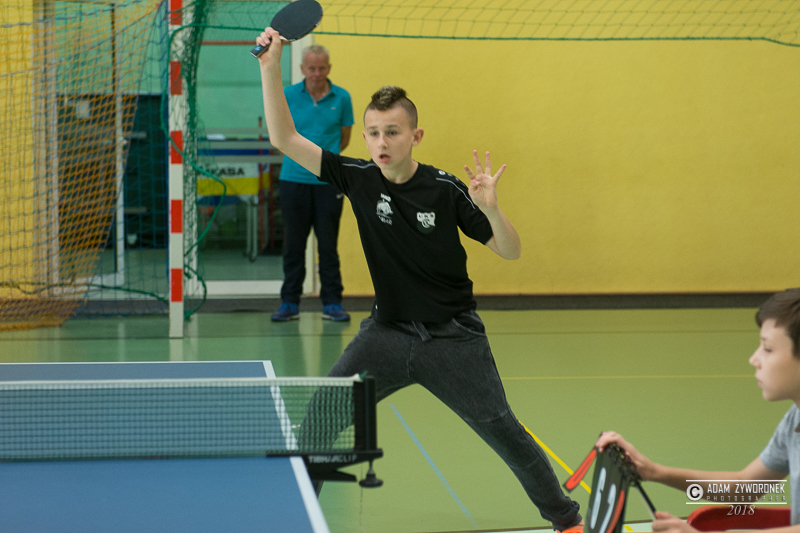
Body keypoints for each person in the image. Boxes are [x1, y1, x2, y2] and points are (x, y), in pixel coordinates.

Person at [256, 27, 583, 533]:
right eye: (373, 132)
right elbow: (284, 138)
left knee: (505, 433)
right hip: (385, 335)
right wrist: (269, 67)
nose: (381, 142)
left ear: (416, 136)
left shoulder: (446, 190)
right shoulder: (358, 178)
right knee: (318, 423)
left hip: (453, 339)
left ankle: (567, 519)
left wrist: (492, 210)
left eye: (392, 132)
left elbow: (510, 250)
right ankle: (299, 520)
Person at [596, 288, 800, 532]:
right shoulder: (794, 420)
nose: (754, 359)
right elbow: (744, 487)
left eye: (767, 349)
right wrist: (655, 472)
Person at [271, 44, 354, 323]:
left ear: (328, 68)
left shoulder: (342, 98)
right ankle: (289, 303)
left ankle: (332, 303)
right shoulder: (287, 96)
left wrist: (323, 165)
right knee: (293, 246)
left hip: (329, 184)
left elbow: (344, 138)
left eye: (321, 68)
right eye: (311, 68)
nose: (317, 73)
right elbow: (280, 135)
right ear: (302, 69)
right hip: (293, 182)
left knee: (328, 246)